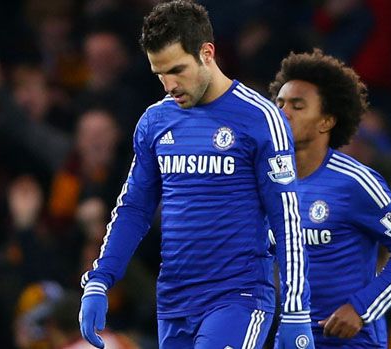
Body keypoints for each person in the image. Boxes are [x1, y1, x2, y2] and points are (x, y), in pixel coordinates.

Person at [78, 2, 313, 348]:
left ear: (207, 53)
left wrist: (296, 308)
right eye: (159, 74)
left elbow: (287, 219)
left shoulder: (260, 119)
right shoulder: (155, 123)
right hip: (173, 302)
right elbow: (134, 209)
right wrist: (100, 279)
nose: (169, 85)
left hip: (238, 298)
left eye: (177, 69)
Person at [268, 49, 391, 348]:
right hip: (291, 338)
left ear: (326, 121)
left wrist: (361, 308)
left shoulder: (356, 182)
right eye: (280, 103)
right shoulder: (266, 181)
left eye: (297, 106)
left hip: (351, 341)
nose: (283, 112)